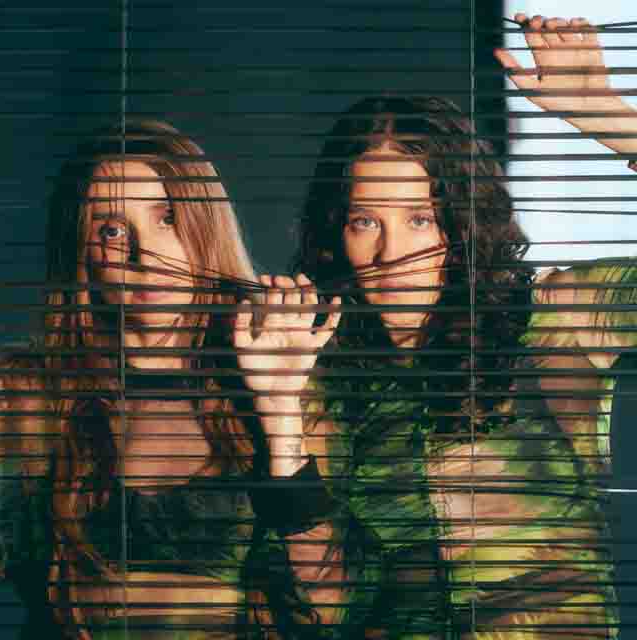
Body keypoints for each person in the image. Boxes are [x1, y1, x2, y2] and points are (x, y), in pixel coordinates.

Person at [250, 14, 637, 639]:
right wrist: (279, 413)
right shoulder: (323, 380)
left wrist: (610, 117)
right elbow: (326, 607)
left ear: (461, 224)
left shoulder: (553, 316)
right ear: (335, 232)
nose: (391, 254)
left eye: (420, 219)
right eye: (365, 222)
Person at [0, 120, 341, 640]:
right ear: (81, 248)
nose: (146, 256)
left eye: (167, 218)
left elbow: (327, 609)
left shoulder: (285, 387)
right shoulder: (27, 395)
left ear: (205, 227)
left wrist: (280, 416)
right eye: (112, 230)